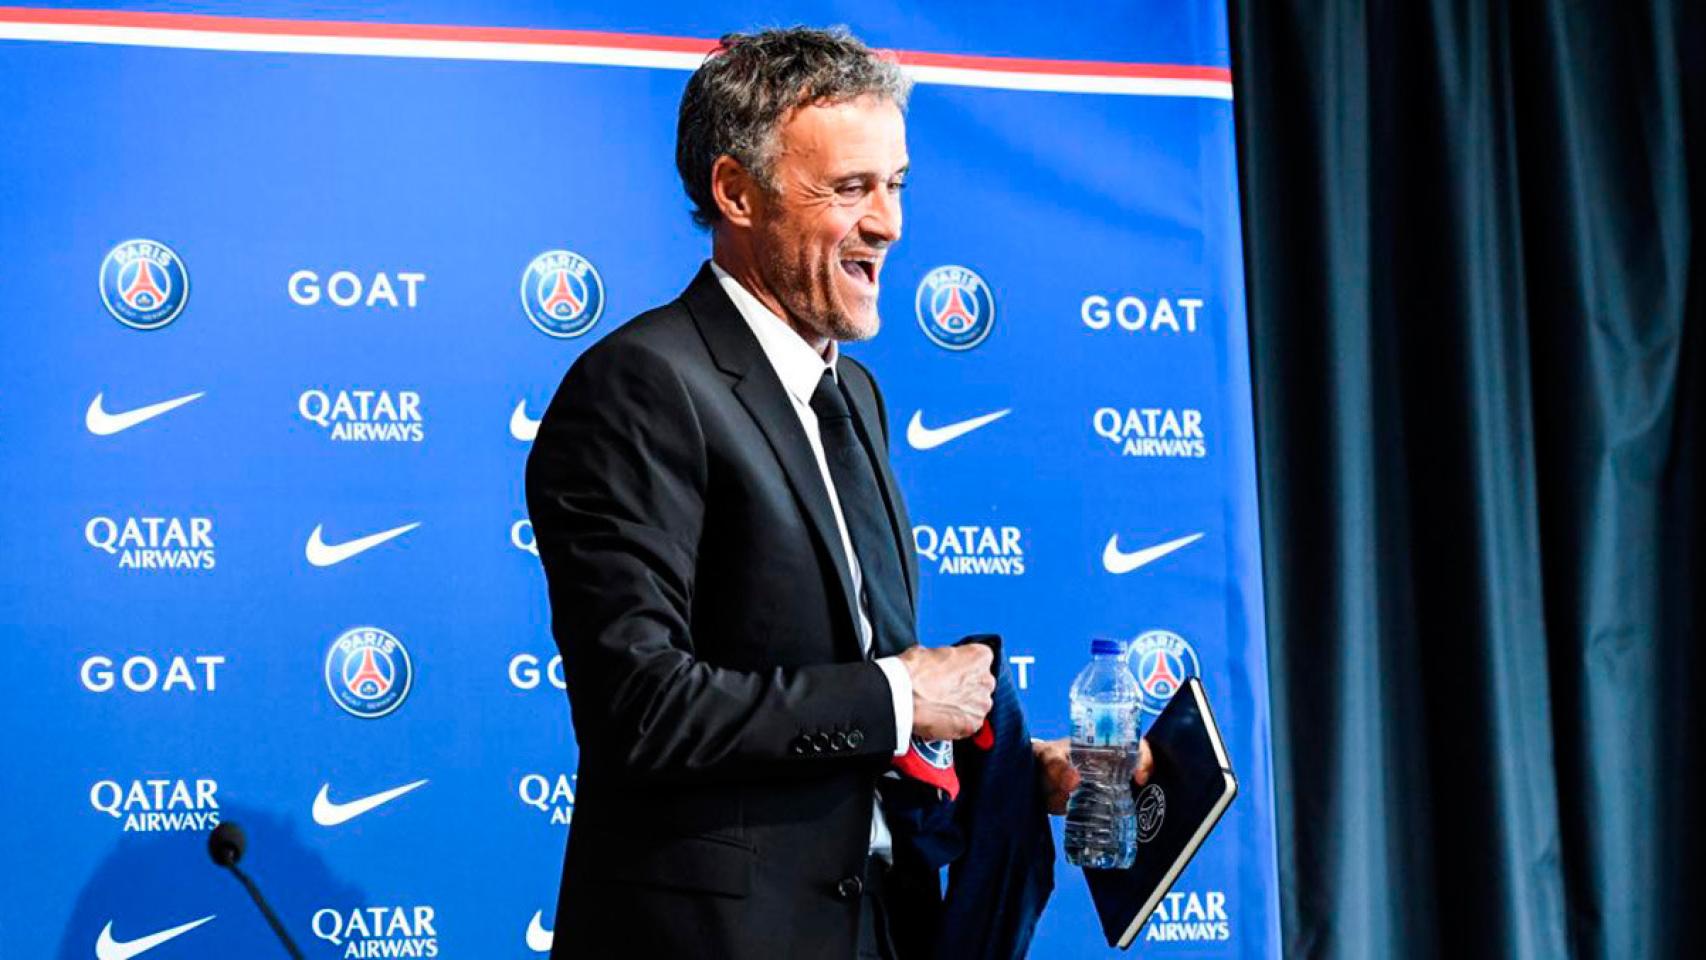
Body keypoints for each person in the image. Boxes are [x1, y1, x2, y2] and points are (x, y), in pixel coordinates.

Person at [525, 27, 1147, 960]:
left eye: (895, 185)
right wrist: (902, 695)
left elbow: (854, 692)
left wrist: (1021, 771)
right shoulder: (644, 386)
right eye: (850, 188)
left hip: (885, 926)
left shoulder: (853, 392)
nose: (889, 222)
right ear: (737, 192)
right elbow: (642, 710)